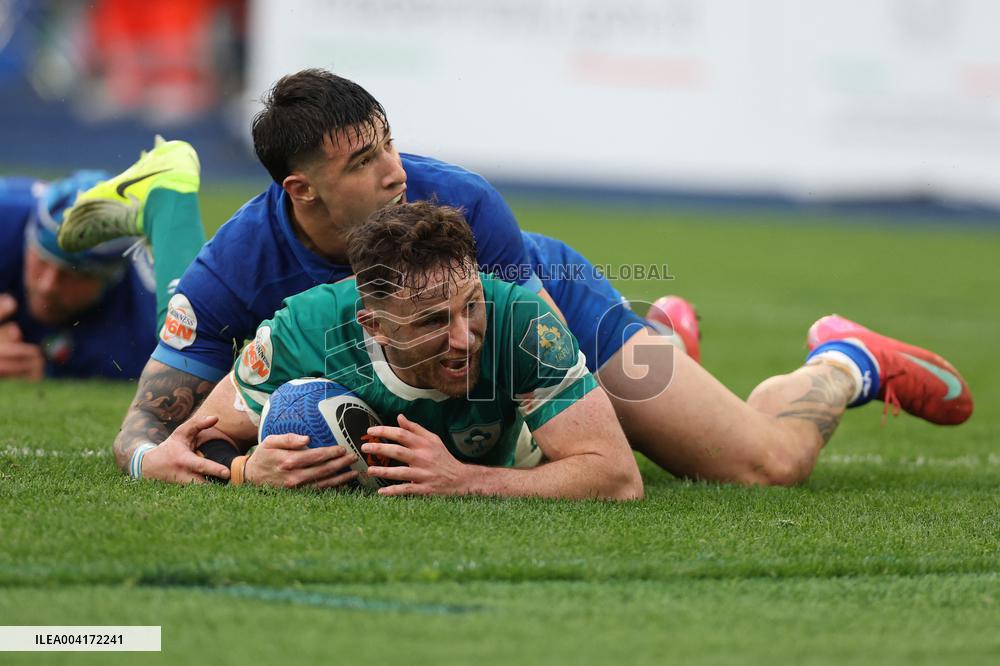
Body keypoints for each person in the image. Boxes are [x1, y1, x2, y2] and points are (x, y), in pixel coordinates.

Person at [62, 69, 973, 487]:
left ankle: (841, 361)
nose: (395, 172)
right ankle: (674, 346)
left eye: (390, 141)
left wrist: (460, 473)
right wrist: (158, 458)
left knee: (758, 467)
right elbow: (150, 419)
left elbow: (510, 359)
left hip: (550, 318)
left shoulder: (463, 205)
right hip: (445, 355)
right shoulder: (234, 268)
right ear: (303, 191)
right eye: (364, 161)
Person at [179, 202, 643, 499]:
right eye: (433, 320)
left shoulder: (520, 321)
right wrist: (245, 470)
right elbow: (204, 437)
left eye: (471, 306)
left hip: (528, 433)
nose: (464, 336)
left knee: (642, 397)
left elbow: (618, 478)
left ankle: (669, 329)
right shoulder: (305, 328)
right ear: (375, 325)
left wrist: (465, 481)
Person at [0, 171, 156, 379]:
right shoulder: (6, 215)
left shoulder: (146, 327)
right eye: (42, 259)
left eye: (73, 273)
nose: (48, 285)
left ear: (112, 276)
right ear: (28, 239)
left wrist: (50, 371)